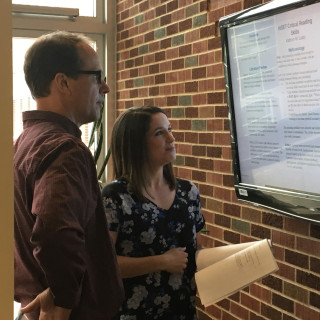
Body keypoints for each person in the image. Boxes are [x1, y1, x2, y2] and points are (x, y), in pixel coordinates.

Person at [14, 31, 124, 320]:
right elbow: (54, 231)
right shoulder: (65, 149)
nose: (106, 88)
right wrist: (63, 300)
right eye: (96, 77)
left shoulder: (22, 143)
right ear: (62, 82)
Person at [102, 106, 205, 319]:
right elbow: (103, 265)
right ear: (136, 144)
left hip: (183, 312)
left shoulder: (189, 192)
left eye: (169, 129)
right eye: (159, 133)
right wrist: (162, 261)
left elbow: (198, 249)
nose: (171, 137)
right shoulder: (115, 196)